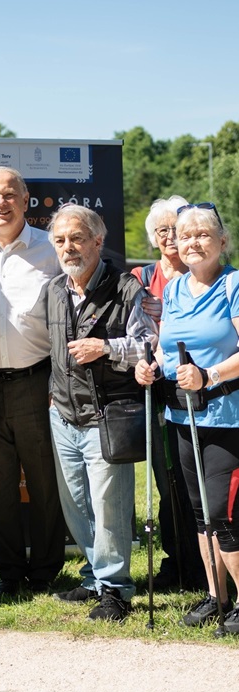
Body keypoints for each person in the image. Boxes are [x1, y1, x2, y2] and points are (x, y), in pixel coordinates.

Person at [47, 204, 158, 621]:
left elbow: (149, 345)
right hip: (63, 414)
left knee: (109, 504)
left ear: (97, 240)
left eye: (76, 238)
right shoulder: (55, 290)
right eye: (60, 240)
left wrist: (107, 347)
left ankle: (115, 588)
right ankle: (96, 574)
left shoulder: (127, 288)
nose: (68, 247)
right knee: (76, 504)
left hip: (105, 414)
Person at [0, 167, 66, 594]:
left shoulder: (50, 250)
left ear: (25, 200)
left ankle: (44, 572)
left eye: (9, 195)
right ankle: (8, 572)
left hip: (37, 382)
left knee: (44, 485)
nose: (0, 203)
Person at [135, 202, 239, 632]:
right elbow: (165, 345)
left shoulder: (234, 284)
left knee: (225, 514)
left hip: (228, 418)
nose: (192, 242)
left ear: (222, 241)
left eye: (202, 234)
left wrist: (209, 375)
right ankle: (217, 597)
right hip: (184, 415)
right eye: (185, 234)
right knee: (199, 512)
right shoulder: (175, 289)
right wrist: (151, 366)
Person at [133, 196, 205, 591]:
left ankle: (206, 563)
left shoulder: (205, 276)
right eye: (162, 231)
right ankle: (177, 560)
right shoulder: (140, 278)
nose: (169, 237)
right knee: (168, 479)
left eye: (175, 229)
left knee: (198, 478)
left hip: (202, 384)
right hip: (158, 388)